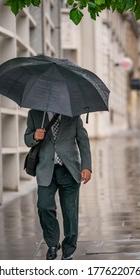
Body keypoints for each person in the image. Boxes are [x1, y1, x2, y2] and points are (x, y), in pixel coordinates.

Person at [24, 110, 92, 260]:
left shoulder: (73, 115)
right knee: (44, 206)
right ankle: (52, 243)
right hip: (46, 170)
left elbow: (83, 140)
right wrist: (35, 136)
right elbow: (27, 139)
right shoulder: (34, 114)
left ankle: (68, 250)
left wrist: (86, 166)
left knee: (70, 212)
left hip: (69, 170)